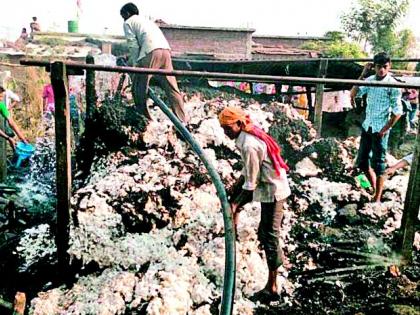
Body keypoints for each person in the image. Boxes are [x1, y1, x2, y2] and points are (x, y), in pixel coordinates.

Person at [219, 107, 291, 301]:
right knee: (265, 231)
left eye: (228, 128)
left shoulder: (249, 144)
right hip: (266, 184)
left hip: (273, 190)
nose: (226, 133)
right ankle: (273, 273)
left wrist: (235, 206)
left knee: (269, 234)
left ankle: (273, 286)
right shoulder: (245, 137)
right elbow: (248, 169)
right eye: (223, 129)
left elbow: (251, 184)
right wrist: (234, 188)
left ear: (239, 124)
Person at [120, 2, 188, 123]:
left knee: (139, 86)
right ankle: (182, 120)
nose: (123, 19)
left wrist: (135, 65)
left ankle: (145, 120)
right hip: (165, 50)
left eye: (123, 16)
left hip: (150, 51)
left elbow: (133, 45)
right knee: (172, 87)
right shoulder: (147, 21)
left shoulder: (128, 22)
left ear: (127, 13)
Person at [350, 52, 403, 202]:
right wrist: (363, 73)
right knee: (361, 162)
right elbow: (353, 93)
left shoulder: (393, 85)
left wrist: (384, 130)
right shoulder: (370, 80)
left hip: (380, 130)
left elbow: (397, 113)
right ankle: (375, 189)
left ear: (389, 66)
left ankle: (377, 198)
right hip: (368, 127)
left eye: (384, 67)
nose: (381, 70)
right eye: (379, 67)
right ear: (374, 67)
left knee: (379, 165)